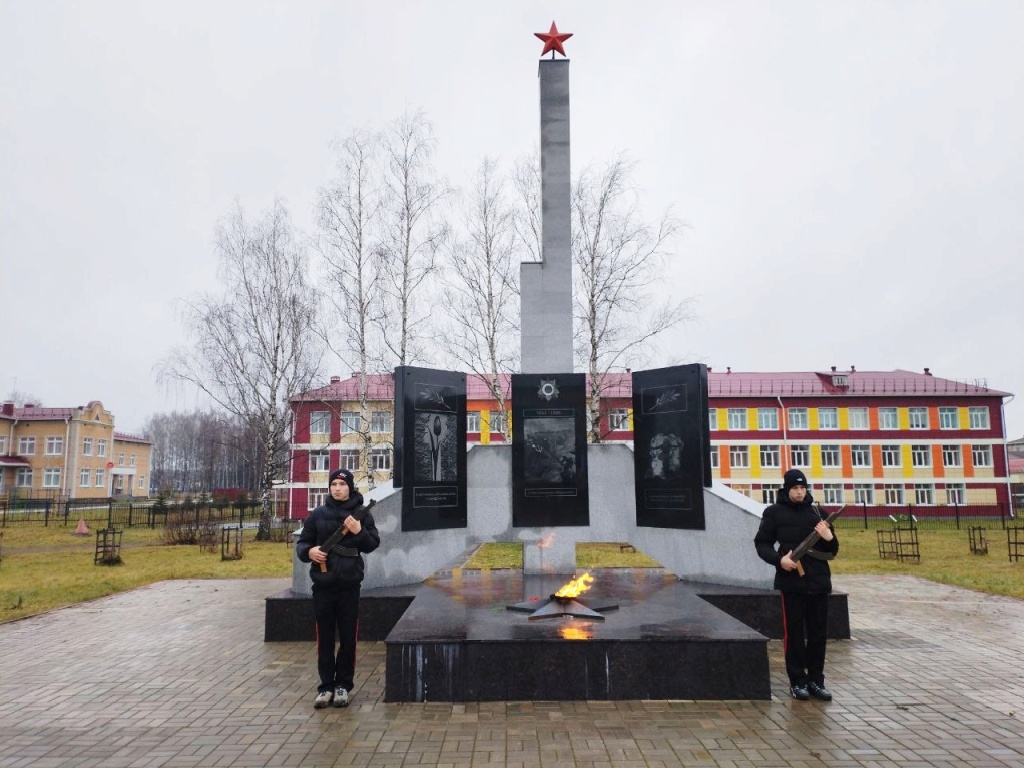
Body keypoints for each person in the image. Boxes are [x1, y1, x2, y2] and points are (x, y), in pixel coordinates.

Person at [296, 468, 380, 709]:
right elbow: (303, 543)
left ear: (350, 488)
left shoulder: (361, 515)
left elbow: (373, 543)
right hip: (323, 586)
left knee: (347, 638)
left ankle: (343, 685)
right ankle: (326, 686)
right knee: (324, 638)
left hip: (349, 585)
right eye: (334, 484)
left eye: (342, 485)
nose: (337, 488)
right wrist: (309, 552)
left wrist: (359, 531)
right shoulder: (317, 515)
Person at [754, 468, 839, 702]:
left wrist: (829, 537)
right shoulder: (774, 513)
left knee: (818, 635)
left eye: (803, 488)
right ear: (787, 489)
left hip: (819, 582)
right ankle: (797, 682)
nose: (800, 492)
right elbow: (762, 543)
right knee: (794, 635)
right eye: (795, 488)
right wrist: (779, 560)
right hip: (792, 584)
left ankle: (816, 681)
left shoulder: (818, 513)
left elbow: (833, 550)